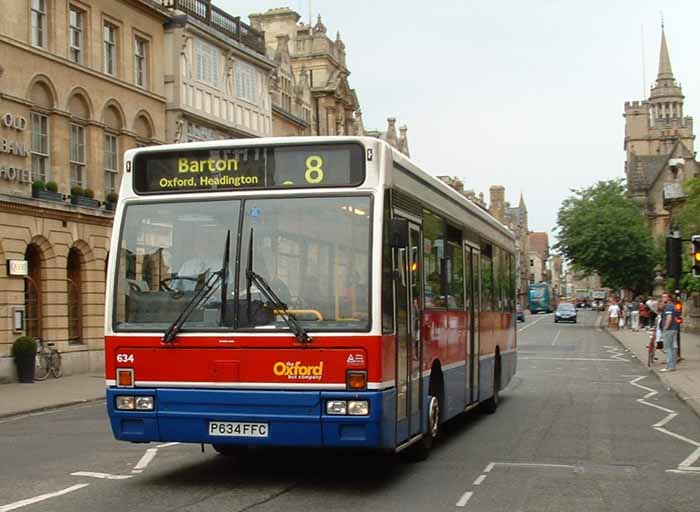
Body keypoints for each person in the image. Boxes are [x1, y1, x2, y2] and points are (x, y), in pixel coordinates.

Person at [660, 292, 680, 372]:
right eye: (662, 297)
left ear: (669, 298)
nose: (663, 298)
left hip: (669, 329)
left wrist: (665, 327)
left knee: (668, 348)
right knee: (674, 348)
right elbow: (676, 317)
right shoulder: (673, 306)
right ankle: (673, 366)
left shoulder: (668, 306)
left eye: (665, 297)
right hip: (674, 329)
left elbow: (669, 317)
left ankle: (669, 366)